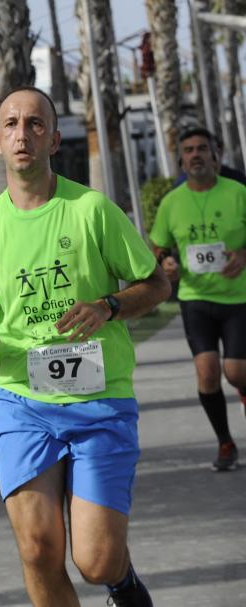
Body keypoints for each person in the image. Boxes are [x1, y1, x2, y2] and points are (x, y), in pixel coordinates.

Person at [0, 86, 170, 607]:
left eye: (35, 123)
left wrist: (108, 305)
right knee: (38, 549)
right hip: (24, 402)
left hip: (100, 401)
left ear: (54, 139)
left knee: (96, 561)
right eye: (12, 124)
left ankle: (122, 584)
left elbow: (156, 285)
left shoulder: (90, 210)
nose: (23, 133)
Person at [150, 126, 246, 471]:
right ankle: (225, 443)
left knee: (236, 373)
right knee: (207, 373)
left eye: (202, 149)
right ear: (181, 161)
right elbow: (157, 246)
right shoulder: (171, 203)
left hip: (239, 299)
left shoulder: (237, 192)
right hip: (195, 298)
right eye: (189, 150)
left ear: (215, 155)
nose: (196, 155)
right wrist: (166, 263)